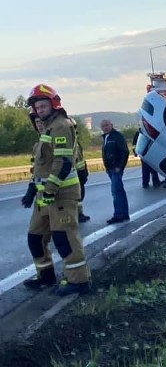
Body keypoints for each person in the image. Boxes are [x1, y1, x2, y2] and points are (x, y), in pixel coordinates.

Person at [21, 84, 91, 296]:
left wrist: (50, 190)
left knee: (64, 237)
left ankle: (79, 281)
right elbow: (43, 163)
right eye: (37, 108)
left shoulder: (61, 126)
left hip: (60, 194)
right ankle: (46, 276)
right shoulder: (47, 128)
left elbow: (63, 162)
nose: (39, 110)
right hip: (45, 195)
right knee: (35, 237)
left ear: (53, 104)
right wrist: (33, 189)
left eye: (43, 106)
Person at [101, 119, 130, 224]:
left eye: (107, 125)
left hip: (116, 168)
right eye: (103, 126)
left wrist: (120, 166)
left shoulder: (117, 136)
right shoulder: (106, 137)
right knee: (120, 191)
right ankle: (124, 214)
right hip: (110, 169)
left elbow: (125, 151)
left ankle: (118, 215)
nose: (105, 127)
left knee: (116, 192)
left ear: (111, 125)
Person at [71, 119, 91, 223]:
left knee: (80, 194)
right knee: (77, 195)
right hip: (74, 172)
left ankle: (79, 213)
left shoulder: (76, 141)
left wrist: (84, 170)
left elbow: (81, 157)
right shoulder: (69, 140)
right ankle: (77, 214)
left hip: (80, 171)